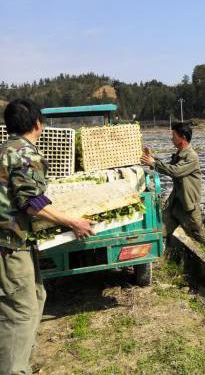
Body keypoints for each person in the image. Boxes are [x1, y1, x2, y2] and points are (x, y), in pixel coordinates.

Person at [0, 99, 95, 375]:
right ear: (37, 124)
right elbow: (31, 203)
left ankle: (18, 361)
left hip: (15, 245)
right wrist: (72, 221)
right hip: (9, 247)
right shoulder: (25, 154)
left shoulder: (5, 150)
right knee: (19, 312)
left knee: (36, 297)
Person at [141, 122, 205, 267]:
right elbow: (170, 167)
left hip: (188, 205)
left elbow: (175, 171)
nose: (171, 138)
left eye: (173, 136)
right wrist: (153, 159)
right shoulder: (179, 154)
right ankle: (158, 259)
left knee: (199, 234)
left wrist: (154, 163)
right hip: (176, 203)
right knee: (162, 229)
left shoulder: (191, 157)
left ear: (182, 137)